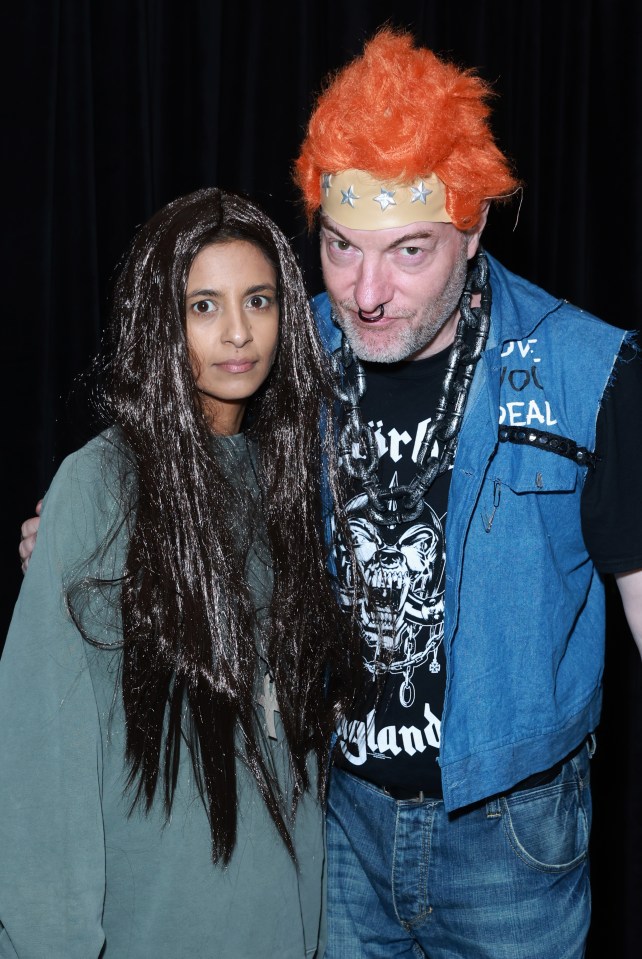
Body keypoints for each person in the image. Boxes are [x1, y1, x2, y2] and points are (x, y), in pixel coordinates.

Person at [17, 27, 642, 959]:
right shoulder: (289, 345)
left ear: (471, 232)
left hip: (511, 841)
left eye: (410, 252)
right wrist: (84, 529)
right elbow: (190, 466)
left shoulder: (586, 371)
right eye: (341, 246)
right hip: (337, 824)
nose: (366, 291)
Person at [2, 186, 361, 958]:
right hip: (151, 921)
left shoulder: (290, 481)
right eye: (204, 306)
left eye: (258, 300)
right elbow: (41, 746)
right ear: (159, 319)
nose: (238, 332)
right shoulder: (101, 483)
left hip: (282, 920)